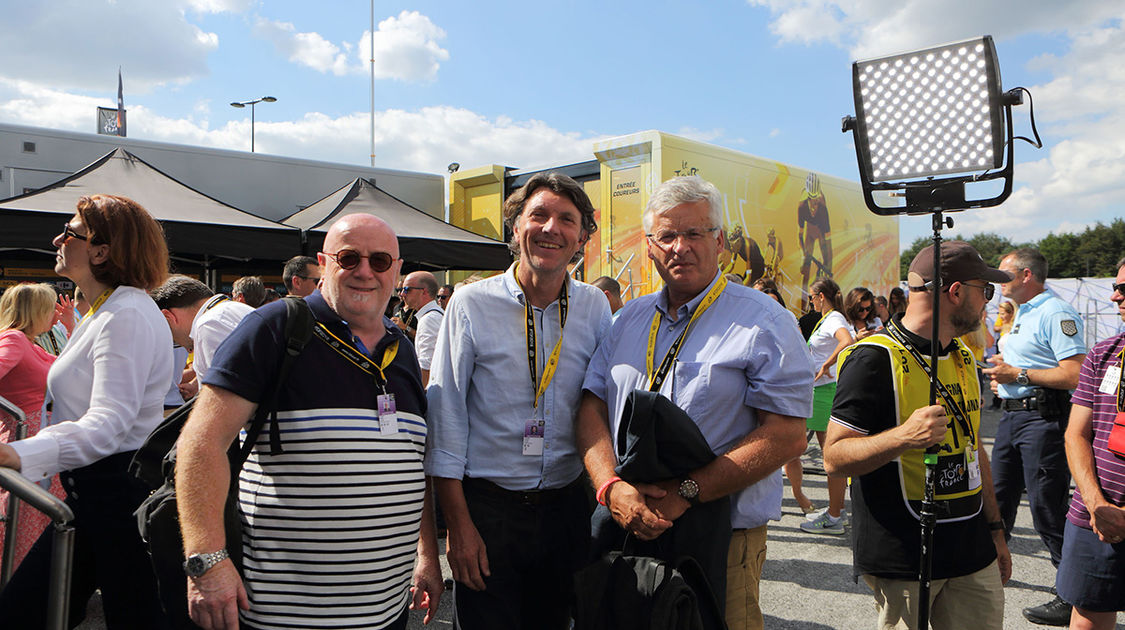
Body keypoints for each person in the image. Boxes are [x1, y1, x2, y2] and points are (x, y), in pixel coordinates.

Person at [176, 213, 442, 630]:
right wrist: (208, 561)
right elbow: (201, 444)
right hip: (283, 611)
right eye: (349, 258)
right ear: (324, 263)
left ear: (398, 270)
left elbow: (411, 462)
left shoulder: (402, 348)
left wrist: (427, 555)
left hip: (384, 610)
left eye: (380, 261)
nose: (365, 272)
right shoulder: (275, 327)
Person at [577, 176, 812, 630]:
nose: (679, 247)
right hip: (628, 523)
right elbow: (591, 407)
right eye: (666, 235)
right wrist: (610, 487)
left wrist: (688, 493)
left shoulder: (765, 322)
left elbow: (786, 436)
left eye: (695, 233)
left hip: (722, 540)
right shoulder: (627, 319)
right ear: (649, 246)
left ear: (720, 241)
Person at [426, 171, 612, 630]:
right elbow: (446, 419)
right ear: (515, 228)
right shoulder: (470, 304)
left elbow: (602, 404)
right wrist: (458, 526)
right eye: (539, 215)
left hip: (567, 507)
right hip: (489, 511)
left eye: (567, 220)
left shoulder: (594, 307)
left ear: (582, 237)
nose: (552, 229)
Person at [0, 194, 173, 628]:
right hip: (95, 495)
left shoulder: (125, 313)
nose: (58, 239)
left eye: (71, 232)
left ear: (101, 250)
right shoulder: (109, 310)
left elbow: (109, 423)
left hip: (114, 498)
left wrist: (20, 454)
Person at [824, 241, 1012, 630]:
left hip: (971, 548)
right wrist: (904, 437)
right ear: (956, 292)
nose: (988, 303)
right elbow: (833, 457)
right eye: (985, 290)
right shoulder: (873, 357)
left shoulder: (961, 355)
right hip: (906, 555)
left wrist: (995, 531)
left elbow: (973, 449)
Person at [984, 247, 1086, 626]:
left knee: (1046, 506)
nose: (998, 280)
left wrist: (1018, 376)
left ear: (1027, 275)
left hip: (1043, 420)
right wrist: (1005, 380)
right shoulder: (1023, 311)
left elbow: (1074, 374)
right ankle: (985, 571)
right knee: (997, 500)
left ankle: (1072, 593)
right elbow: (1023, 369)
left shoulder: (1055, 311)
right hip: (1014, 418)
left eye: (1004, 273)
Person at [1055, 258, 1125, 630]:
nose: (1115, 297)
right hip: (1094, 517)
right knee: (1087, 617)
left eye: (1124, 289)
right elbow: (1076, 434)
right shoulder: (1103, 354)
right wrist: (1098, 505)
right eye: (1116, 287)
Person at [0, 283, 66, 567]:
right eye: (49, 308)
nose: (54, 313)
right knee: (25, 513)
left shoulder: (28, 341)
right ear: (35, 310)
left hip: (33, 435)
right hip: (23, 435)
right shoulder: (14, 339)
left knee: (32, 514)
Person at [791, 278, 854, 533]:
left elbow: (847, 341)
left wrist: (827, 365)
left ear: (820, 296)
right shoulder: (826, 318)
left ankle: (835, 515)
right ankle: (837, 512)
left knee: (831, 457)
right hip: (818, 391)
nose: (810, 302)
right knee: (829, 456)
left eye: (811, 298)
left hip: (824, 392)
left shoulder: (835, 318)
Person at [150, 275, 255, 385]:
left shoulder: (209, 324)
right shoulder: (230, 311)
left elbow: (227, 392)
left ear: (168, 317)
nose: (188, 351)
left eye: (173, 340)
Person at [399, 270, 443, 386]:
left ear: (424, 292)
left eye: (407, 289)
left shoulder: (430, 319)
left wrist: (420, 397)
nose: (402, 294)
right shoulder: (433, 315)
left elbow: (426, 365)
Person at [798, 172, 832, 311]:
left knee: (828, 266)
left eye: (816, 199)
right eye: (811, 199)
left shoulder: (823, 206)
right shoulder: (801, 206)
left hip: (821, 230)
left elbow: (827, 238)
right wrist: (804, 255)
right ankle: (803, 305)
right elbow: (800, 233)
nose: (814, 203)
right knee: (805, 270)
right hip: (810, 232)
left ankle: (829, 304)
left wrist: (827, 265)